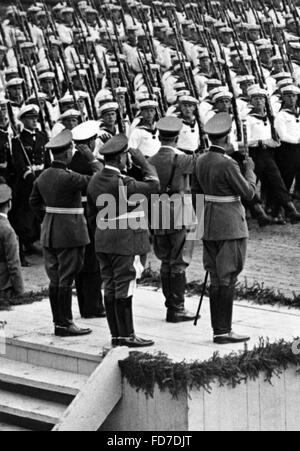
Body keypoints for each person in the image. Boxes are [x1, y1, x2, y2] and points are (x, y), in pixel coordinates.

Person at [87, 134, 160, 348]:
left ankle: (117, 335)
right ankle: (127, 335)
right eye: (126, 157)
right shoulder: (123, 182)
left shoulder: (95, 179)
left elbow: (91, 212)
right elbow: (154, 185)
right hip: (125, 239)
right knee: (126, 285)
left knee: (110, 285)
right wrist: (143, 162)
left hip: (103, 237)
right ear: (120, 158)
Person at [192, 113, 257, 345]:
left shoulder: (200, 159)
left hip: (208, 223)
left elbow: (195, 194)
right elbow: (249, 193)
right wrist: (249, 169)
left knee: (216, 277)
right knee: (227, 276)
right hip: (230, 224)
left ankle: (218, 329)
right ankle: (223, 330)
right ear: (227, 137)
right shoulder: (228, 163)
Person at [29, 129, 97, 337]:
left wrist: (48, 219)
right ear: (67, 153)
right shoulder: (70, 177)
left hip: (50, 232)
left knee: (56, 278)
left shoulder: (43, 176)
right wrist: (92, 158)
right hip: (70, 233)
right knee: (67, 277)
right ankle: (66, 323)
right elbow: (100, 179)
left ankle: (59, 322)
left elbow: (34, 202)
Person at [149, 117, 197, 323]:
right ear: (177, 138)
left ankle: (171, 305)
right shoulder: (184, 159)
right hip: (180, 210)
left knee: (165, 260)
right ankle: (177, 308)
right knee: (179, 260)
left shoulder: (150, 160)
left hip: (158, 209)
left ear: (159, 137)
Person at [71, 121, 106, 319]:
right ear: (91, 142)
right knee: (92, 262)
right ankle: (94, 306)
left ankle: (86, 305)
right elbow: (103, 178)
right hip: (88, 213)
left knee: (82, 262)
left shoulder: (73, 160)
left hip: (77, 213)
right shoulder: (88, 162)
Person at [0, 178, 24, 307]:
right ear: (9, 204)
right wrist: (20, 292)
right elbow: (13, 263)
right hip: (3, 286)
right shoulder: (7, 230)